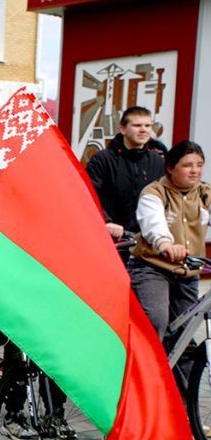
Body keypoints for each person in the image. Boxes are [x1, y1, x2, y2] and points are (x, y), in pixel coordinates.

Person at [131, 140, 210, 341]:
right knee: (156, 320)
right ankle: (147, 369)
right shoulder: (154, 193)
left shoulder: (204, 193)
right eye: (187, 165)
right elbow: (153, 223)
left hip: (189, 270)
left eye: (199, 165)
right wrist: (165, 244)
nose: (195, 171)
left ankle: (178, 372)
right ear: (170, 168)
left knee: (187, 331)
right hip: (153, 268)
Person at [87, 106, 168, 260]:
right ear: (123, 129)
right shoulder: (103, 159)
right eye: (137, 125)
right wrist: (106, 222)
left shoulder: (157, 161)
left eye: (148, 126)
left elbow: (166, 197)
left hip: (146, 241)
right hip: (110, 238)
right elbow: (88, 194)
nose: (144, 130)